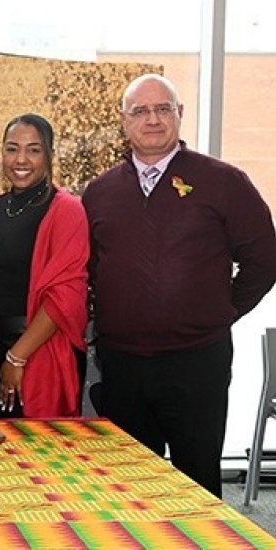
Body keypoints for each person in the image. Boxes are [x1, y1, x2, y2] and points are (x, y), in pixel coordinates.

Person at [82, 73, 276, 498]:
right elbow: (91, 270)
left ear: (179, 115)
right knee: (130, 488)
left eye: (162, 109)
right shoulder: (98, 192)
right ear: (123, 120)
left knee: (197, 484)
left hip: (197, 363)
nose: (152, 119)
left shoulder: (225, 182)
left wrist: (223, 310)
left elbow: (264, 260)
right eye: (140, 111)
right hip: (123, 366)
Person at [0, 114, 89, 419]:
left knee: (35, 455)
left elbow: (64, 297)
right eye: (12, 149)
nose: (21, 159)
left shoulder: (66, 209)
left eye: (33, 150)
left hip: (38, 350)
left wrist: (17, 357)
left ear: (50, 154)